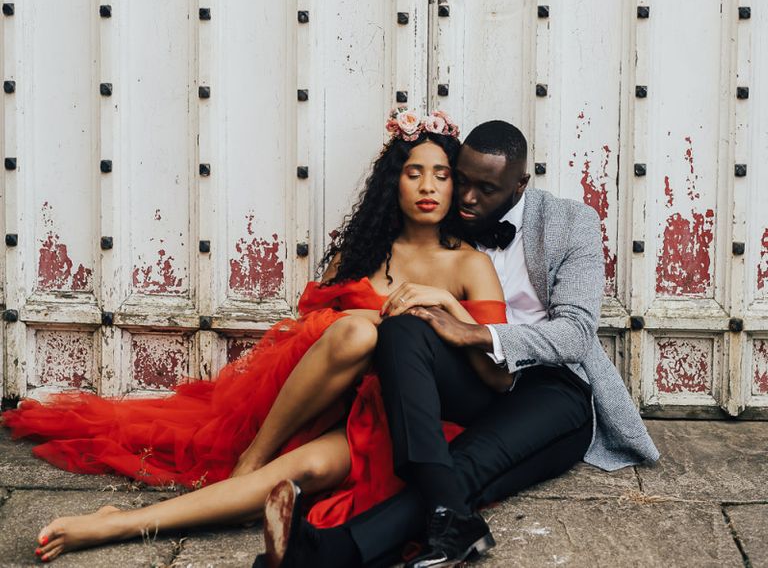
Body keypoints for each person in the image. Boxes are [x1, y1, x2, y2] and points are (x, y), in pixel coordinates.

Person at [1, 109, 513, 563]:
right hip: (326, 400)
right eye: (413, 173)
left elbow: (496, 377)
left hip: (400, 418)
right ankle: (249, 461)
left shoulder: (470, 265)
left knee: (309, 469)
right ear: (392, 184)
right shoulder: (359, 256)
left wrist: (446, 305)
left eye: (441, 175)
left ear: (456, 186)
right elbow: (313, 334)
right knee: (358, 330)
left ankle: (117, 522)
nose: (427, 187)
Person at [253, 120, 660, 568]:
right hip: (472, 379)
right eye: (461, 181)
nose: (467, 198)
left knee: (463, 467)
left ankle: (326, 554)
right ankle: (443, 525)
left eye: (486, 189)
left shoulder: (570, 223)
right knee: (403, 328)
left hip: (547, 389)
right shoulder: (441, 218)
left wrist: (478, 330)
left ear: (520, 184)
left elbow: (577, 333)